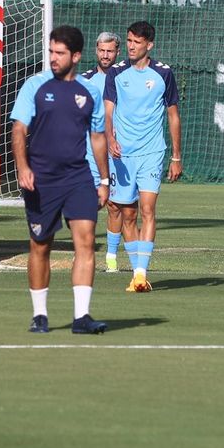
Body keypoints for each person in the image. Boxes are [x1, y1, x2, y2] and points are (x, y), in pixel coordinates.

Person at [10, 25, 110, 335]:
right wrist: (23, 167)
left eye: (60, 53)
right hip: (42, 180)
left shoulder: (90, 91)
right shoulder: (35, 86)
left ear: (76, 56)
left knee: (86, 242)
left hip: (78, 177)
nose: (53, 58)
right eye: (51, 51)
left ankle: (82, 317)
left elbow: (97, 137)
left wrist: (104, 179)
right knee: (40, 245)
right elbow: (18, 130)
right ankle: (39, 315)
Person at [103, 21, 182, 293]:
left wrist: (176, 156)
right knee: (127, 213)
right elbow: (109, 111)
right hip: (122, 155)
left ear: (149, 44)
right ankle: (128, 263)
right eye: (129, 41)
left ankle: (139, 274)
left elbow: (173, 115)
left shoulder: (163, 73)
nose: (131, 46)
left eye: (136, 42)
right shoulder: (116, 72)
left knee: (148, 210)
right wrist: (111, 138)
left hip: (152, 152)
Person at [80, 32, 126, 272]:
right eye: (101, 50)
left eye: (110, 51)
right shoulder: (84, 81)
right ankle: (85, 252)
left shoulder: (125, 78)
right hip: (90, 155)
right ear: (96, 50)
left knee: (116, 206)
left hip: (117, 154)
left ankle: (111, 257)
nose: (105, 55)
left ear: (117, 52)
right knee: (88, 205)